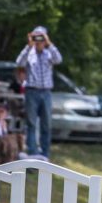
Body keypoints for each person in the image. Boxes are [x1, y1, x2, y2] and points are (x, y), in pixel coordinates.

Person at [15, 25, 62, 159]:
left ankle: (45, 155)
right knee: (31, 124)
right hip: (32, 92)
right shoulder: (29, 53)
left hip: (46, 92)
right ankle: (33, 155)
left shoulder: (49, 54)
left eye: (41, 37)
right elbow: (19, 62)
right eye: (37, 37)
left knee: (46, 125)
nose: (39, 41)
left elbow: (58, 59)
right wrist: (29, 45)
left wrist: (49, 43)